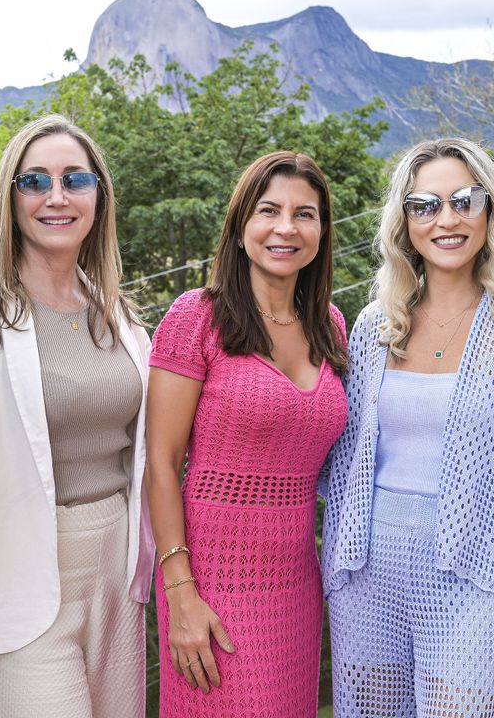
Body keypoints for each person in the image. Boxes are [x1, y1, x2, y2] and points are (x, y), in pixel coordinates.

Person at [320, 137, 494, 717]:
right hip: (368, 574)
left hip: (477, 576)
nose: (447, 219)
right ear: (405, 223)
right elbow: (341, 457)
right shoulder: (376, 326)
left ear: (490, 210)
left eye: (464, 200)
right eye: (425, 205)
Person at [0, 115, 153, 717]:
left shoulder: (120, 318)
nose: (56, 197)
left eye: (74, 179)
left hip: (116, 576)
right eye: (34, 181)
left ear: (98, 196)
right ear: (10, 200)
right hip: (13, 577)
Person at [146, 151, 348, 716]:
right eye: (269, 211)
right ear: (240, 228)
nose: (287, 228)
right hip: (212, 582)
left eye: (304, 214)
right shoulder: (196, 318)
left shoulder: (330, 326)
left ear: (321, 233)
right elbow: (161, 463)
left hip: (297, 584)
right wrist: (180, 591)